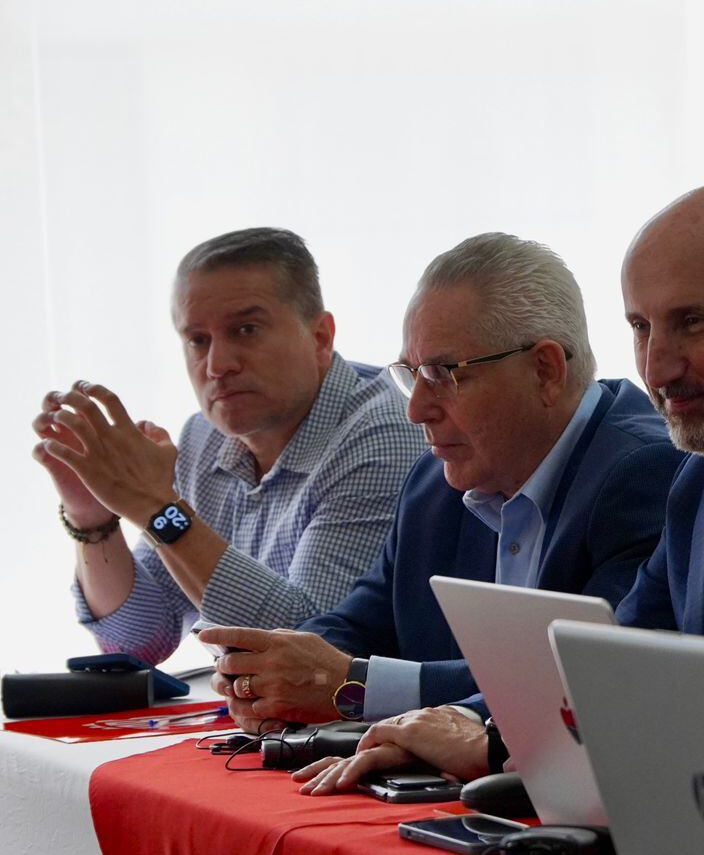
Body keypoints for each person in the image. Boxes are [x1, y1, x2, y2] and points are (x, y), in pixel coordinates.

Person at [292, 181, 704, 793]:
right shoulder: (701, 473)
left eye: (693, 323)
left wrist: (492, 744)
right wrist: (462, 728)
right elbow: (614, 662)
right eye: (640, 327)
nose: (657, 367)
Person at [199, 234, 681, 728]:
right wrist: (270, 671)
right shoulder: (437, 479)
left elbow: (577, 681)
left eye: (443, 374)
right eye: (411, 375)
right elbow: (360, 622)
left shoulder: (645, 473)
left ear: (545, 370)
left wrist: (350, 686)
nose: (416, 409)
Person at [32, 228, 422, 666]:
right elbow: (139, 643)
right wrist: (93, 516)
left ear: (320, 337)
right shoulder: (204, 436)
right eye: (198, 340)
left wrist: (156, 507)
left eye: (246, 329)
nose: (217, 365)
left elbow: (309, 653)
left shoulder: (386, 431)